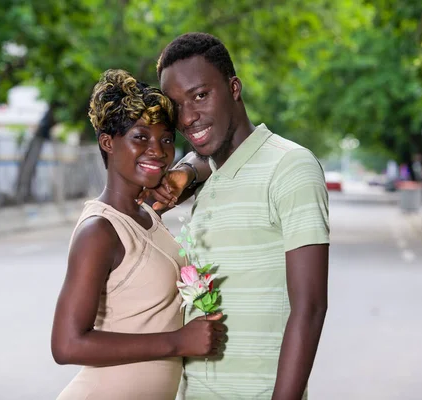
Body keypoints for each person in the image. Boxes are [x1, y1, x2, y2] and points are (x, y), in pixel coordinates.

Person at [145, 32, 330, 399]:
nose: (188, 117)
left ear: (233, 87)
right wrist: (190, 170)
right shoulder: (208, 176)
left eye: (200, 95)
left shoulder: (290, 166)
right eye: (176, 105)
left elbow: (310, 307)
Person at [50, 69, 226, 400]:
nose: (158, 151)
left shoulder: (145, 212)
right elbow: (66, 344)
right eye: (140, 137)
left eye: (167, 139)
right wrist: (178, 341)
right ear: (107, 142)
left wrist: (180, 176)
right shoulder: (100, 230)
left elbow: (206, 157)